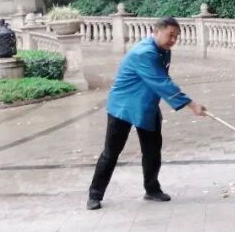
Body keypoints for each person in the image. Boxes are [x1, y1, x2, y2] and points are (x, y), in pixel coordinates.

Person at [86, 17, 205, 210]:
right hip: (123, 107)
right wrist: (191, 104)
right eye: (170, 35)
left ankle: (152, 189)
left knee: (152, 150)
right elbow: (161, 82)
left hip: (146, 105)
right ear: (156, 31)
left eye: (176, 37)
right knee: (111, 152)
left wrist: (183, 100)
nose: (173, 40)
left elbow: (162, 79)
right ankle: (95, 195)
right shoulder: (145, 53)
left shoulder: (163, 50)